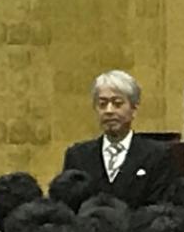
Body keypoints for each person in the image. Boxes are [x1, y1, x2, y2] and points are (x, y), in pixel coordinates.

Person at [62, 70, 177, 208]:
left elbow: (160, 206)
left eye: (117, 104)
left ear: (133, 109)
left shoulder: (157, 155)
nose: (109, 111)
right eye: (102, 104)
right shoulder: (78, 156)